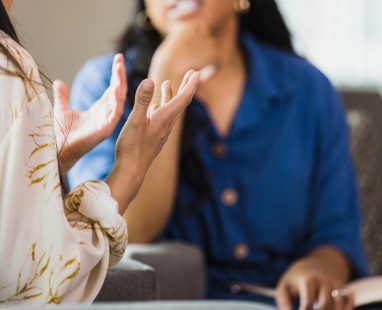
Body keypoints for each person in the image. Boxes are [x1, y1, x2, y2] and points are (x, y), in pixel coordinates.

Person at [68, 0, 368, 309]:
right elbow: (128, 230)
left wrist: (319, 268)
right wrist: (168, 73)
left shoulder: (308, 88)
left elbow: (336, 233)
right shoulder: (106, 85)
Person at [0, 0, 200, 305]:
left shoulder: (298, 80)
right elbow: (38, 282)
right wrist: (131, 165)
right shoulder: (10, 69)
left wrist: (45, 162)